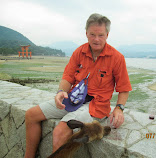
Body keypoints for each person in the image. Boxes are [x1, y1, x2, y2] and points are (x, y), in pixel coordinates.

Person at [24, 13, 132, 158]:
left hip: (95, 106)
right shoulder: (79, 52)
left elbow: (124, 88)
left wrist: (119, 109)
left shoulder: (117, 58)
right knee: (31, 115)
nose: (96, 39)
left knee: (60, 132)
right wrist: (61, 91)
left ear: (107, 34)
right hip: (73, 98)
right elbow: (67, 77)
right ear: (86, 33)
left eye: (100, 35)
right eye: (92, 34)